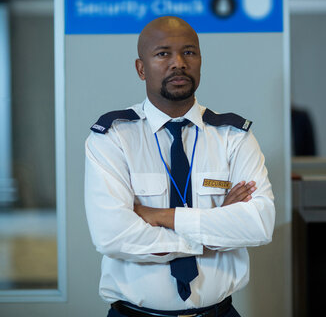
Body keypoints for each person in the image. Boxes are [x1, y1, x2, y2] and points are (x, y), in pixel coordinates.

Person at [84, 16, 275, 317]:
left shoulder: (233, 136)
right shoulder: (114, 138)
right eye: (163, 53)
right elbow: (113, 236)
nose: (178, 63)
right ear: (140, 68)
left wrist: (160, 216)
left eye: (189, 52)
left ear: (200, 61)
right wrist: (213, 233)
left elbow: (259, 224)